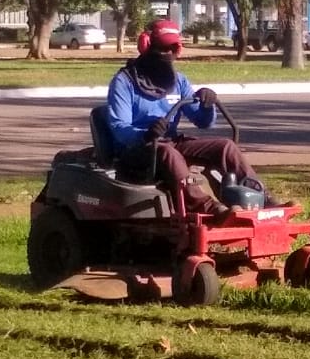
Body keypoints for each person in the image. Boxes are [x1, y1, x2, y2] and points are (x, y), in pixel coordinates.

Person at [105, 19, 286, 219]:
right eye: (162, 48)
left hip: (169, 143)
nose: (168, 53)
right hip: (136, 149)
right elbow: (119, 128)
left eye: (173, 49)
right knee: (169, 153)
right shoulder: (124, 82)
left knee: (226, 146)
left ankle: (262, 198)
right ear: (147, 45)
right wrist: (146, 134)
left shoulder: (179, 81)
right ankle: (207, 208)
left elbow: (203, 122)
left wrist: (207, 105)